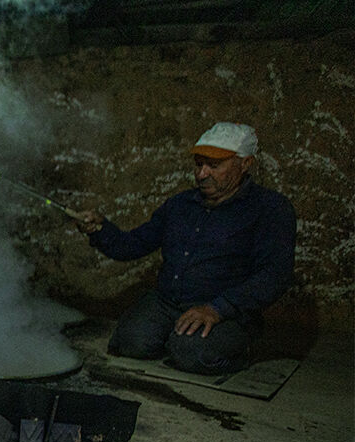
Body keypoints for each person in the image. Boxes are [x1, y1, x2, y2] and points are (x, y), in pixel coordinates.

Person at [73, 121, 296, 374]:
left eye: (214, 165)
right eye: (199, 164)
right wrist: (101, 229)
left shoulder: (270, 209)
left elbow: (275, 275)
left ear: (245, 164)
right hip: (168, 302)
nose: (202, 174)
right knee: (129, 343)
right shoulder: (180, 205)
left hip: (226, 312)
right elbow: (132, 245)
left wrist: (217, 308)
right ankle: (177, 335)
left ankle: (236, 347)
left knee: (190, 353)